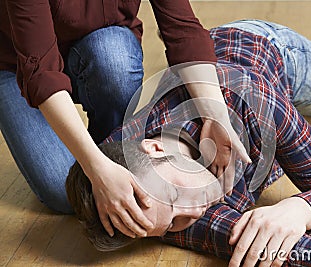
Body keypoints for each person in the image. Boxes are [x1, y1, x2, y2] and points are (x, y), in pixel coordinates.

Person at [65, 19, 311, 266]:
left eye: (176, 195)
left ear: (156, 149)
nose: (195, 210)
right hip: (255, 103)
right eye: (176, 222)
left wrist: (299, 209)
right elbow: (243, 238)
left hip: (267, 51)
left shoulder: (249, 101)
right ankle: (291, 128)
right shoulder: (146, 206)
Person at [0, 0, 250, 239]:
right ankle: (107, 173)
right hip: (17, 65)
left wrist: (216, 115)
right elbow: (41, 72)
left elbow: (182, 29)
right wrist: (95, 168)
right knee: (62, 190)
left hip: (101, 48)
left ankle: (114, 164)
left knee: (114, 58)